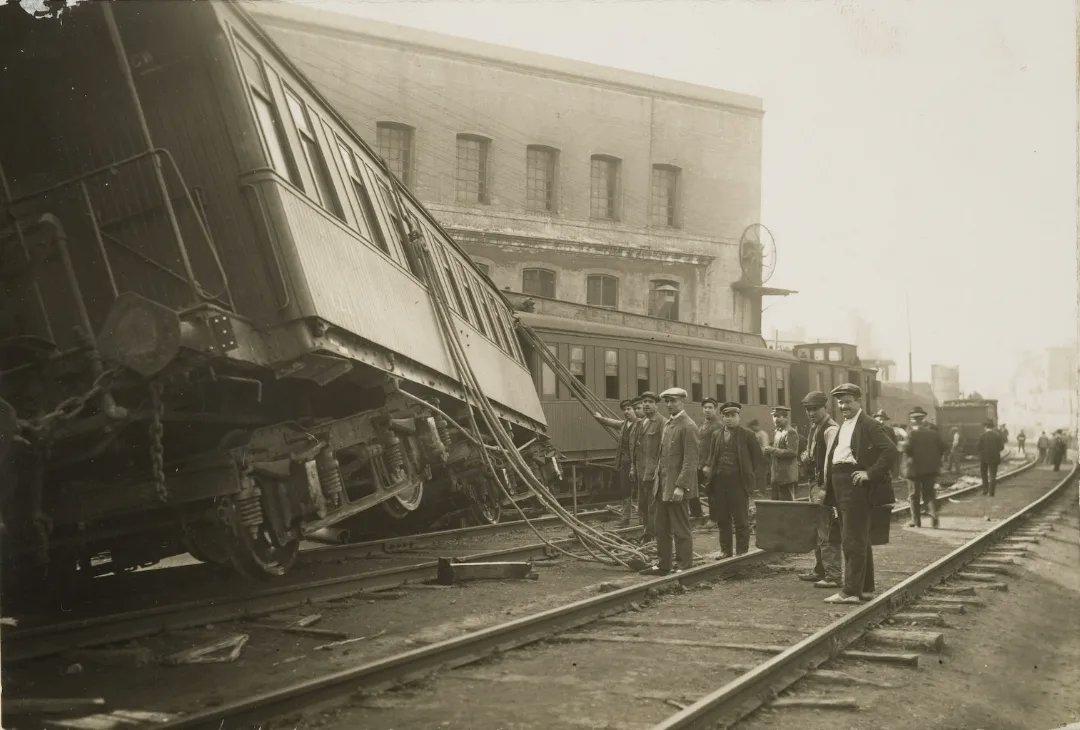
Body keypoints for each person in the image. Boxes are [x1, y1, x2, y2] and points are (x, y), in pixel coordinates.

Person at [822, 383, 894, 604]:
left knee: (852, 539)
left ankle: (850, 591)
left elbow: (890, 450)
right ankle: (865, 588)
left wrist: (870, 473)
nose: (844, 406)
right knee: (858, 537)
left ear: (858, 401)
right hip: (841, 484)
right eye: (840, 402)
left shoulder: (869, 424)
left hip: (854, 486)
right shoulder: (846, 424)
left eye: (848, 402)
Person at [640, 388, 698, 576]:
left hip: (676, 487)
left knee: (681, 528)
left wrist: (681, 486)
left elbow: (690, 460)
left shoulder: (688, 426)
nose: (669, 404)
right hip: (662, 486)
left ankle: (684, 565)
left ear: (682, 401)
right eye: (667, 401)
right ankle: (663, 564)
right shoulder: (668, 424)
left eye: (673, 401)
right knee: (661, 528)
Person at [703, 402, 763, 559]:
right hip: (719, 482)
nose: (729, 419)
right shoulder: (716, 435)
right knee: (723, 519)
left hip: (738, 483)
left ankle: (742, 551)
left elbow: (757, 459)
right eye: (726, 416)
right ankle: (726, 550)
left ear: (738, 417)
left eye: (733, 416)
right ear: (722, 418)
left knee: (741, 519)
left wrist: (750, 478)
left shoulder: (748, 435)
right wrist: (709, 469)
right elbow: (712, 456)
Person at [796, 390, 841, 588]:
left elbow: (832, 462)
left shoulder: (831, 429)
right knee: (817, 529)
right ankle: (820, 570)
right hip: (814, 483)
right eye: (808, 409)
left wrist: (825, 488)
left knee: (827, 531)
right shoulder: (816, 427)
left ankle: (833, 575)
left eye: (815, 409)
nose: (811, 413)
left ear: (825, 407)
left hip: (823, 485)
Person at [594, 399, 637, 525]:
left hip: (637, 463)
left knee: (642, 491)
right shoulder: (624, 424)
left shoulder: (641, 425)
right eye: (624, 410)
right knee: (625, 490)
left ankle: (644, 519)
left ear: (635, 410)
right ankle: (626, 518)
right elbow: (611, 422)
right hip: (625, 462)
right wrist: (600, 418)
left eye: (629, 409)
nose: (626, 412)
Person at [903, 406, 946, 528]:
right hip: (930, 469)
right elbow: (943, 447)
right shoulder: (933, 433)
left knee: (914, 495)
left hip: (914, 470)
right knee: (930, 494)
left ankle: (916, 521)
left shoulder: (911, 434)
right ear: (922, 419)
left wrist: (902, 446)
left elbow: (907, 449)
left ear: (912, 420)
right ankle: (934, 513)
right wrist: (934, 458)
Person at [631, 392, 665, 543]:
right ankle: (647, 532)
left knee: (653, 506)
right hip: (641, 471)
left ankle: (653, 536)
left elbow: (664, 450)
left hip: (654, 472)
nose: (646, 404)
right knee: (643, 504)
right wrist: (633, 468)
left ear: (656, 405)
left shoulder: (662, 422)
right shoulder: (641, 422)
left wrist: (659, 471)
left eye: (650, 402)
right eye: (644, 401)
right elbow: (636, 448)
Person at [764, 406, 799, 501]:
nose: (775, 419)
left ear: (785, 417)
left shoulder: (790, 432)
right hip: (776, 477)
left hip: (786, 478)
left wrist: (772, 450)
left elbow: (792, 452)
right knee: (776, 505)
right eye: (774, 416)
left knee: (786, 505)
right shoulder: (778, 432)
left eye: (778, 416)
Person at [698, 398, 722, 526]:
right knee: (694, 487)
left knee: (712, 491)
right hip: (701, 462)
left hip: (711, 464)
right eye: (705, 407)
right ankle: (697, 513)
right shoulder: (704, 424)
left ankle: (714, 519)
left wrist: (708, 464)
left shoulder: (717, 425)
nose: (707, 410)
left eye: (710, 408)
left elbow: (716, 448)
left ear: (715, 409)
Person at [977, 420, 1005, 496]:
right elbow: (1002, 447)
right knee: (993, 475)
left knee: (984, 474)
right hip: (994, 458)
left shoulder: (982, 436)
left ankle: (985, 490)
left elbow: (978, 447)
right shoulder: (997, 435)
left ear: (986, 427)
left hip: (984, 458)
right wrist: (995, 451)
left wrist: (983, 452)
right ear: (992, 427)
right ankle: (991, 493)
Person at [748, 419, 771, 496]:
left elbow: (765, 446)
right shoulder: (755, 433)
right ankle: (756, 490)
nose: (751, 428)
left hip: (761, 457)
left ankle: (762, 491)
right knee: (755, 475)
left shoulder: (762, 434)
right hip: (755, 457)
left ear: (756, 426)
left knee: (761, 475)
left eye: (752, 427)